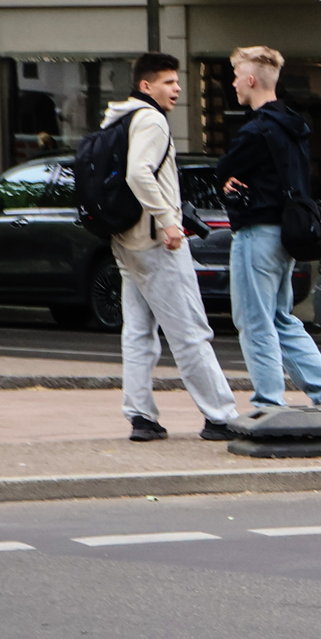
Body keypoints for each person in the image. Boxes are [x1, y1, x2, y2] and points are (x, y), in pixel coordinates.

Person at [109, 53, 239, 442]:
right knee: (190, 331)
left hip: (126, 240)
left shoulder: (119, 117)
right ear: (145, 86)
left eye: (177, 82)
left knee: (137, 332)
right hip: (156, 242)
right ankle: (221, 416)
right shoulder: (151, 119)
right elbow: (138, 173)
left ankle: (141, 417)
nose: (177, 88)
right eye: (168, 82)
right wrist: (168, 221)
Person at [218, 46, 321, 413]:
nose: (234, 82)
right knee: (281, 318)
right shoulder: (295, 125)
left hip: (257, 234)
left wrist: (228, 182)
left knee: (255, 322)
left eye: (238, 75)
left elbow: (224, 169)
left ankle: (268, 402)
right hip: (287, 235)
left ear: (252, 80)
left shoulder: (255, 131)